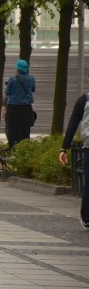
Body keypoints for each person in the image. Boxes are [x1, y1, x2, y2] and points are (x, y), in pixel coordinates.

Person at [60, 90, 89, 229]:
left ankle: (87, 217)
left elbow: (73, 124)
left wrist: (64, 148)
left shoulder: (84, 99)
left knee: (88, 182)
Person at [3, 59, 36, 148]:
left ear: (17, 68)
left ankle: (12, 149)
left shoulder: (12, 79)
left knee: (12, 129)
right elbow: (33, 89)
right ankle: (24, 149)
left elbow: (7, 92)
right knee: (25, 129)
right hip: (26, 107)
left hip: (13, 108)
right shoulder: (31, 78)